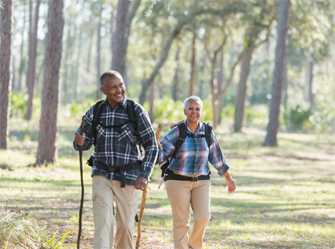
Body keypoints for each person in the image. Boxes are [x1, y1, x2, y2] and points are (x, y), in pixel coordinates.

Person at [73, 70, 159, 249]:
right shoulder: (95, 111)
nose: (119, 90)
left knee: (126, 227)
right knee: (103, 225)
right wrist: (79, 141)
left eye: (121, 85)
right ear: (103, 90)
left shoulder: (135, 111)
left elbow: (152, 145)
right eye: (113, 87)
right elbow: (84, 142)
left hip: (129, 177)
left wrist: (145, 174)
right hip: (101, 173)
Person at [159, 96, 236, 249]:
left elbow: (216, 157)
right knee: (181, 221)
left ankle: (193, 245)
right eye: (190, 108)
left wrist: (229, 179)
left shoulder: (207, 132)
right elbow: (162, 153)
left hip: (201, 181)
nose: (194, 112)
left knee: (203, 217)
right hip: (177, 180)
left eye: (197, 109)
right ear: (184, 111)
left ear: (201, 111)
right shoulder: (177, 131)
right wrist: (155, 152)